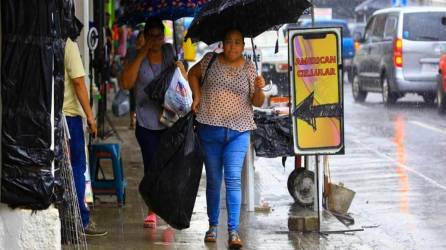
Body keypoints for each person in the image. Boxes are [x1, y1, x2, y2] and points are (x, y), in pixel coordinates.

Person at [188, 28, 266, 248]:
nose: (233, 46)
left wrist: (260, 89)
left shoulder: (251, 68)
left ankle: (233, 231)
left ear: (243, 46)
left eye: (237, 42)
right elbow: (192, 74)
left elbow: (258, 102)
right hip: (209, 129)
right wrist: (197, 95)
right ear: (222, 43)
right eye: (229, 42)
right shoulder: (210, 60)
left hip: (239, 131)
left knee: (232, 179)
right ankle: (213, 226)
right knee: (213, 180)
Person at [120, 17, 187, 228]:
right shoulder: (136, 55)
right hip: (146, 122)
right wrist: (142, 52)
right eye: (152, 35)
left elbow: (183, 83)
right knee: (152, 165)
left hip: (170, 120)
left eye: (160, 35)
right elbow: (126, 83)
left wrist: (181, 69)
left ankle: (165, 208)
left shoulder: (170, 53)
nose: (156, 40)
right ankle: (152, 209)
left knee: (168, 166)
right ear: (146, 36)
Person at [63, 37, 107, 237]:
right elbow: (79, 82)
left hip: (49, 116)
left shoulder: (44, 42)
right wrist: (91, 117)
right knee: (76, 168)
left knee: (61, 171)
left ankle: (67, 220)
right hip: (69, 117)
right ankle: (80, 220)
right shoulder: (68, 45)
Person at [122, 30, 145, 129]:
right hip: (133, 78)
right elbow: (126, 62)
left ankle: (140, 120)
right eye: (140, 37)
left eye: (144, 37)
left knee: (141, 100)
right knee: (133, 99)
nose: (142, 39)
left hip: (143, 79)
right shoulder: (131, 49)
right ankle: (132, 121)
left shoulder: (146, 51)